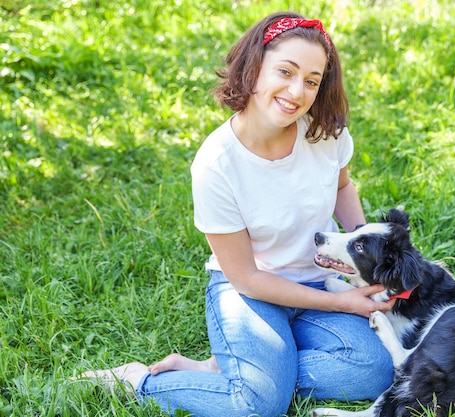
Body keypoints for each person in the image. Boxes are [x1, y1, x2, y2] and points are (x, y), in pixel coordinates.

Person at [81, 11, 394, 416]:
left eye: (312, 81)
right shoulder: (216, 164)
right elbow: (246, 277)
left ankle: (240, 370)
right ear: (255, 67)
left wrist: (368, 254)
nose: (297, 91)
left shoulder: (323, 133)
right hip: (250, 294)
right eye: (286, 71)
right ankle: (141, 381)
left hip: (319, 281)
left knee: (374, 370)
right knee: (259, 407)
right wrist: (346, 304)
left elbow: (341, 188)